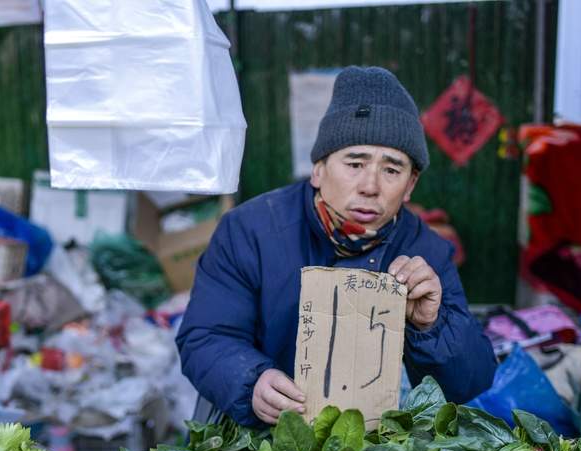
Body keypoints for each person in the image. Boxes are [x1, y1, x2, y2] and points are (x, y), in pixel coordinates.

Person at [177, 65, 497, 427]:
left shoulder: (427, 253)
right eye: (355, 163)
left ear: (410, 185)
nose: (370, 186)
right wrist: (252, 382)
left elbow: (473, 382)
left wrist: (431, 326)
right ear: (318, 169)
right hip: (256, 436)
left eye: (392, 170)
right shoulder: (250, 230)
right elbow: (204, 337)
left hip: (372, 450)